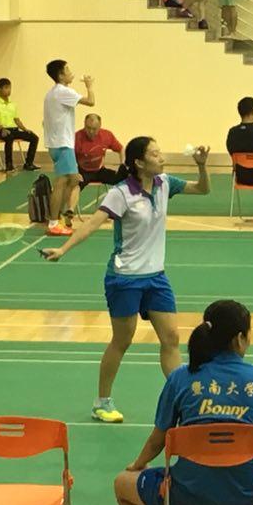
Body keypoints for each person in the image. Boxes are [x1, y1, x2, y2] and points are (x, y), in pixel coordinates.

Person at [43, 137, 211, 423]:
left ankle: (183, 399)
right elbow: (92, 224)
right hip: (125, 278)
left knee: (171, 337)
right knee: (122, 340)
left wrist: (202, 167)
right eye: (155, 154)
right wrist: (63, 249)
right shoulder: (121, 193)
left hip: (156, 276)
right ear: (139, 162)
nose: (162, 158)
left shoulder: (165, 183)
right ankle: (102, 402)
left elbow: (203, 189)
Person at [113, 299, 253, 505]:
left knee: (122, 482)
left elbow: (157, 440)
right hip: (246, 496)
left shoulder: (180, 377)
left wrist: (138, 465)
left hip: (185, 496)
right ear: (239, 339)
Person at [43, 59, 96, 236]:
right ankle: (53, 222)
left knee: (74, 179)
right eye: (67, 69)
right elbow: (91, 101)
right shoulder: (63, 91)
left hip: (56, 144)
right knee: (62, 182)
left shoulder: (51, 94)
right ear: (60, 75)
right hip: (63, 144)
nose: (71, 72)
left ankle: (58, 216)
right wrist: (89, 85)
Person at [65, 113, 126, 225]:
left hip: (100, 170)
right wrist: (74, 172)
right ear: (84, 124)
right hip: (83, 171)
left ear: (100, 126)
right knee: (75, 184)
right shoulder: (77, 138)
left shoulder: (107, 135)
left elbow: (121, 149)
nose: (91, 131)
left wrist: (122, 165)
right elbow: (68, 157)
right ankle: (70, 211)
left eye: (94, 129)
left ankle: (122, 209)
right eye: (88, 128)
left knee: (124, 178)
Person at [0, 78, 40, 172]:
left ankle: (29, 163)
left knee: (34, 137)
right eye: (6, 88)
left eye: (9, 88)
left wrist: (25, 129)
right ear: (0, 89)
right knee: (9, 137)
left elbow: (17, 120)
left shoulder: (13, 104)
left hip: (14, 130)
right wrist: (2, 129)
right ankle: (9, 165)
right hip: (0, 131)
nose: (8, 90)